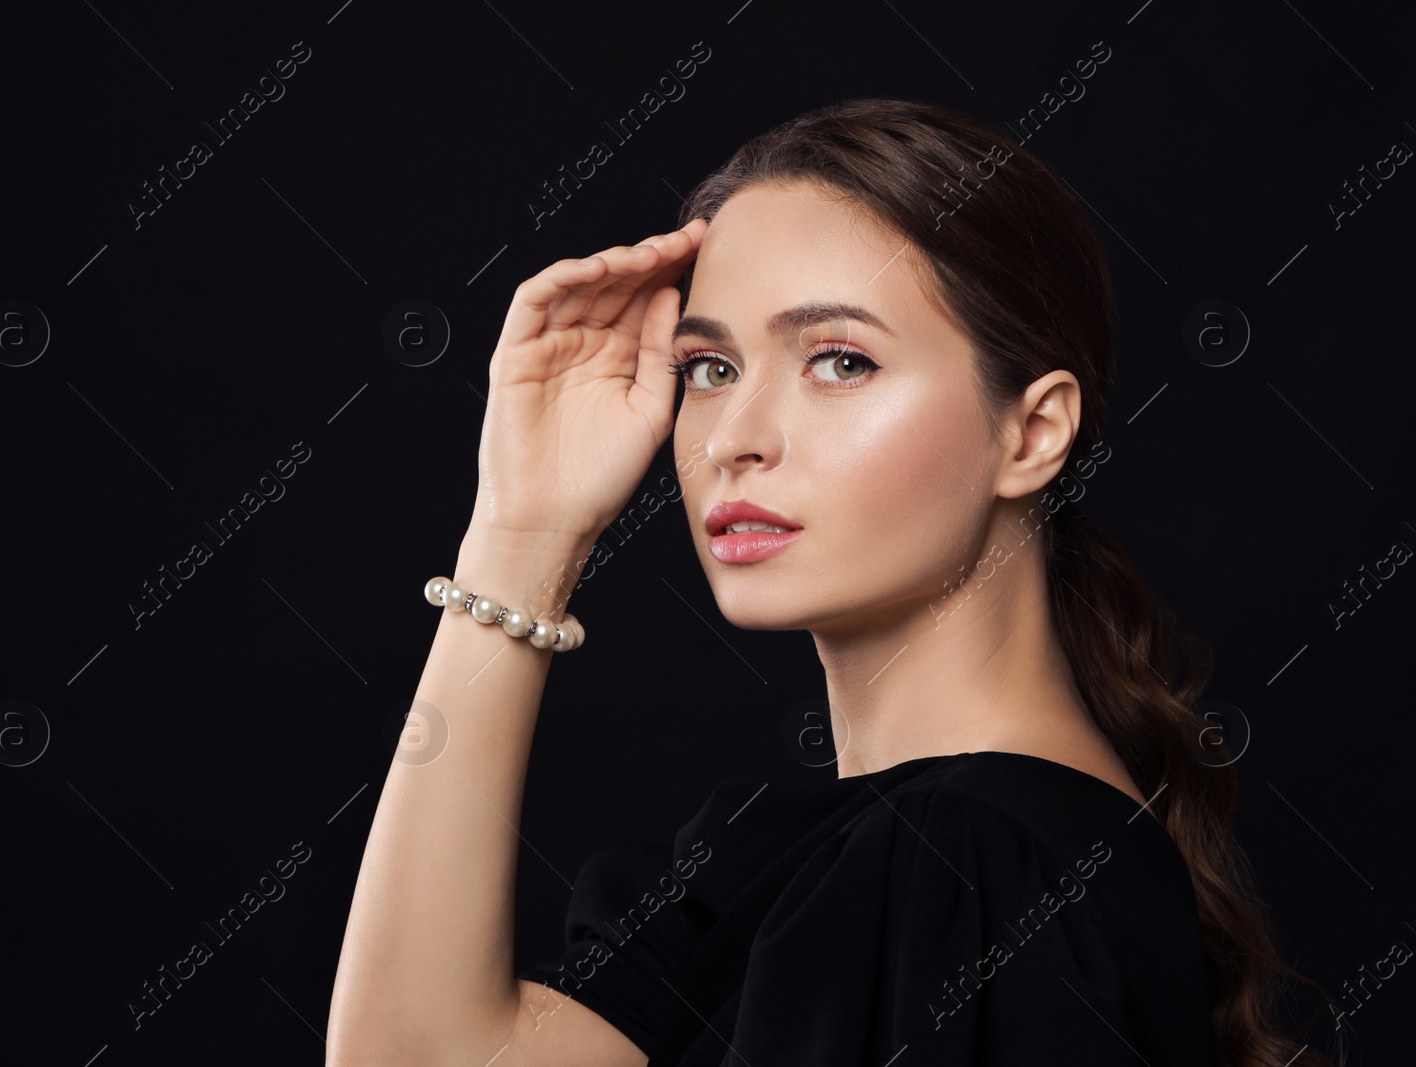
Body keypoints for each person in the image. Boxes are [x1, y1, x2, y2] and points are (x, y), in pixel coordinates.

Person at [324, 98, 1337, 1066]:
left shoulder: (972, 866)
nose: (735, 438)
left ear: (1030, 432)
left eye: (840, 361)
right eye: (710, 368)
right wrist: (520, 530)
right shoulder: (854, 866)